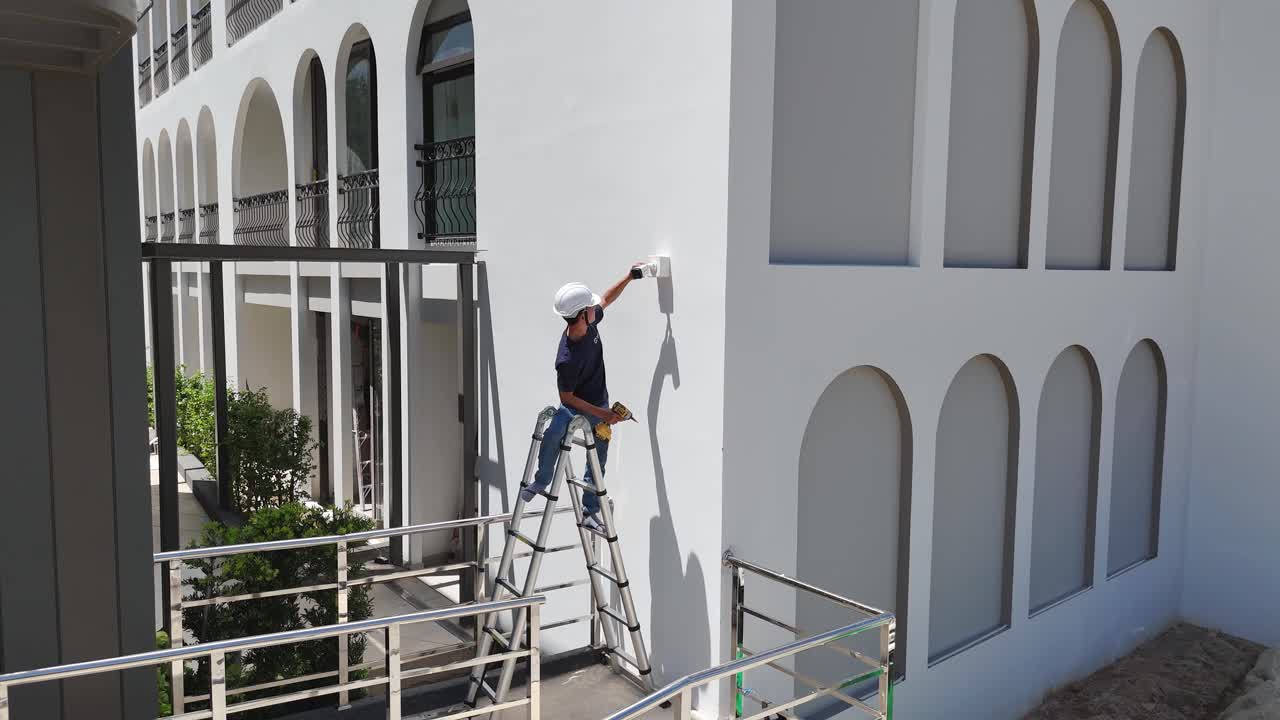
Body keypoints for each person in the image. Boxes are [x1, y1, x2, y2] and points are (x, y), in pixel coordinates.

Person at [520, 266, 643, 531]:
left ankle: (589, 511)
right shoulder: (566, 359)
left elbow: (606, 298)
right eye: (590, 307)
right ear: (581, 316)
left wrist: (629, 277)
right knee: (553, 436)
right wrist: (603, 414)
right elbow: (567, 397)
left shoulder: (589, 320)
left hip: (599, 401)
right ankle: (542, 480)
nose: (595, 308)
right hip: (575, 406)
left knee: (597, 460)